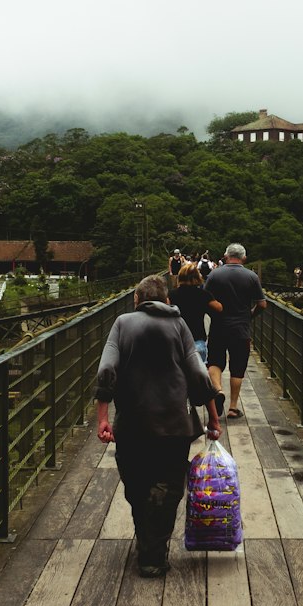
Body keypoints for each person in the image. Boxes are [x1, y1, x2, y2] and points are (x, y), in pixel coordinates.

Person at [96, 274, 220, 578]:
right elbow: (198, 375)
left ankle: (147, 546)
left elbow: (107, 368)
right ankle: (154, 552)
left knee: (136, 487)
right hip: (174, 426)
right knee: (169, 487)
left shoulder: (123, 324)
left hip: (132, 425)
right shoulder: (179, 326)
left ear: (137, 300)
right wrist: (213, 418)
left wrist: (102, 418)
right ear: (167, 300)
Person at [204, 242, 266, 420]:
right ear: (244, 258)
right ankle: (233, 407)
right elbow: (262, 304)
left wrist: (214, 315)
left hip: (218, 327)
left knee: (214, 362)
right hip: (241, 329)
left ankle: (218, 391)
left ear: (225, 256)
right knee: (237, 367)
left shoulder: (214, 275)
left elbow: (205, 301)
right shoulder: (251, 276)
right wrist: (250, 316)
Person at [172, 261, 209, 363]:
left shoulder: (171, 295)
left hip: (176, 340)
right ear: (197, 277)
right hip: (197, 339)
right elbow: (218, 309)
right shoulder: (203, 294)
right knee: (198, 376)